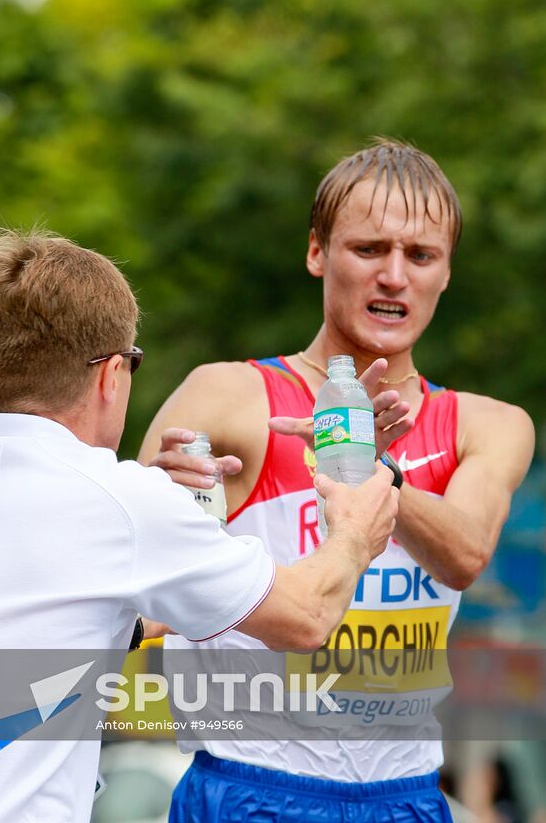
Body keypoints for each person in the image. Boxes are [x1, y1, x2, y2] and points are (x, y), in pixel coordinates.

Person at [0, 228, 400, 823]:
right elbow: (307, 617)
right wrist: (356, 530)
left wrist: (159, 551)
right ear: (110, 374)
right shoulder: (121, 501)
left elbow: (38, 615)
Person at [140, 140, 535, 823]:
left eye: (420, 256)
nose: (393, 276)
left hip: (404, 797)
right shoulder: (230, 397)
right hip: (251, 784)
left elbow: (467, 555)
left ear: (446, 274)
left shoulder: (485, 424)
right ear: (317, 252)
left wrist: (367, 466)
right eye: (369, 249)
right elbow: (132, 576)